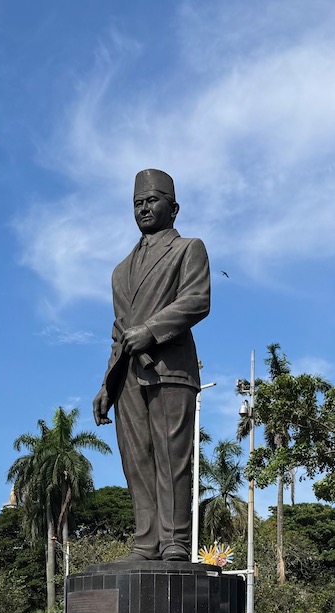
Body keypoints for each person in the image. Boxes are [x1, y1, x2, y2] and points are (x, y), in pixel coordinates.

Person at [93, 168, 211, 562]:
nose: (143, 208)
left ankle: (175, 540)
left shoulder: (188, 249)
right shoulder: (120, 270)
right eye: (137, 203)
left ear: (173, 208)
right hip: (128, 375)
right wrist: (106, 385)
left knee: (172, 457)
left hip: (169, 369)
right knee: (137, 461)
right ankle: (146, 542)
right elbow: (118, 330)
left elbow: (196, 301)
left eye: (152, 201)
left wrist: (150, 330)